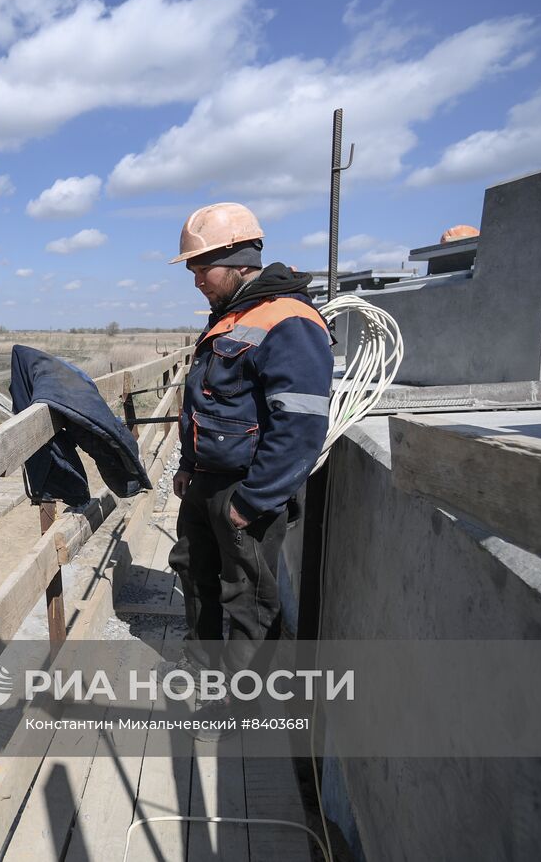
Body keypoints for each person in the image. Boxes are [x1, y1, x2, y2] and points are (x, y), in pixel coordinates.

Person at [166, 202, 333, 736]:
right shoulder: (231, 317)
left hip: (246, 489)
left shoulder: (289, 321)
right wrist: (190, 464)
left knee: (248, 595)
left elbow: (301, 426)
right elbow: (207, 402)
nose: (195, 279)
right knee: (194, 569)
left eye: (201, 267)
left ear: (240, 261)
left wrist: (253, 502)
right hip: (208, 482)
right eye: (192, 268)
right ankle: (202, 672)